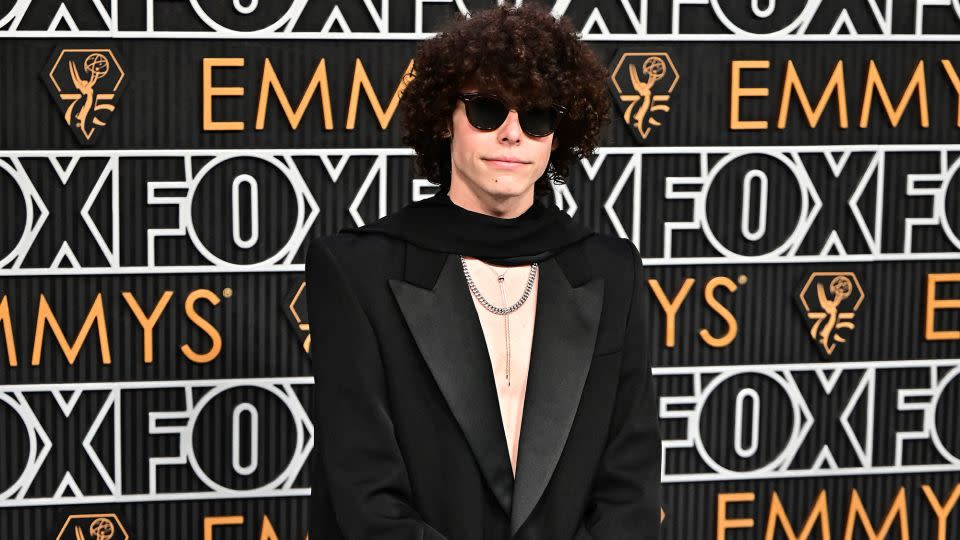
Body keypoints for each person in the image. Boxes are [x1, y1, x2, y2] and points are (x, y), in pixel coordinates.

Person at [305, 4, 662, 539]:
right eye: (488, 110)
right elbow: (364, 498)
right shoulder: (357, 270)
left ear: (558, 135)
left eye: (538, 115)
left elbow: (630, 487)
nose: (512, 134)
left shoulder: (612, 270)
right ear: (443, 119)